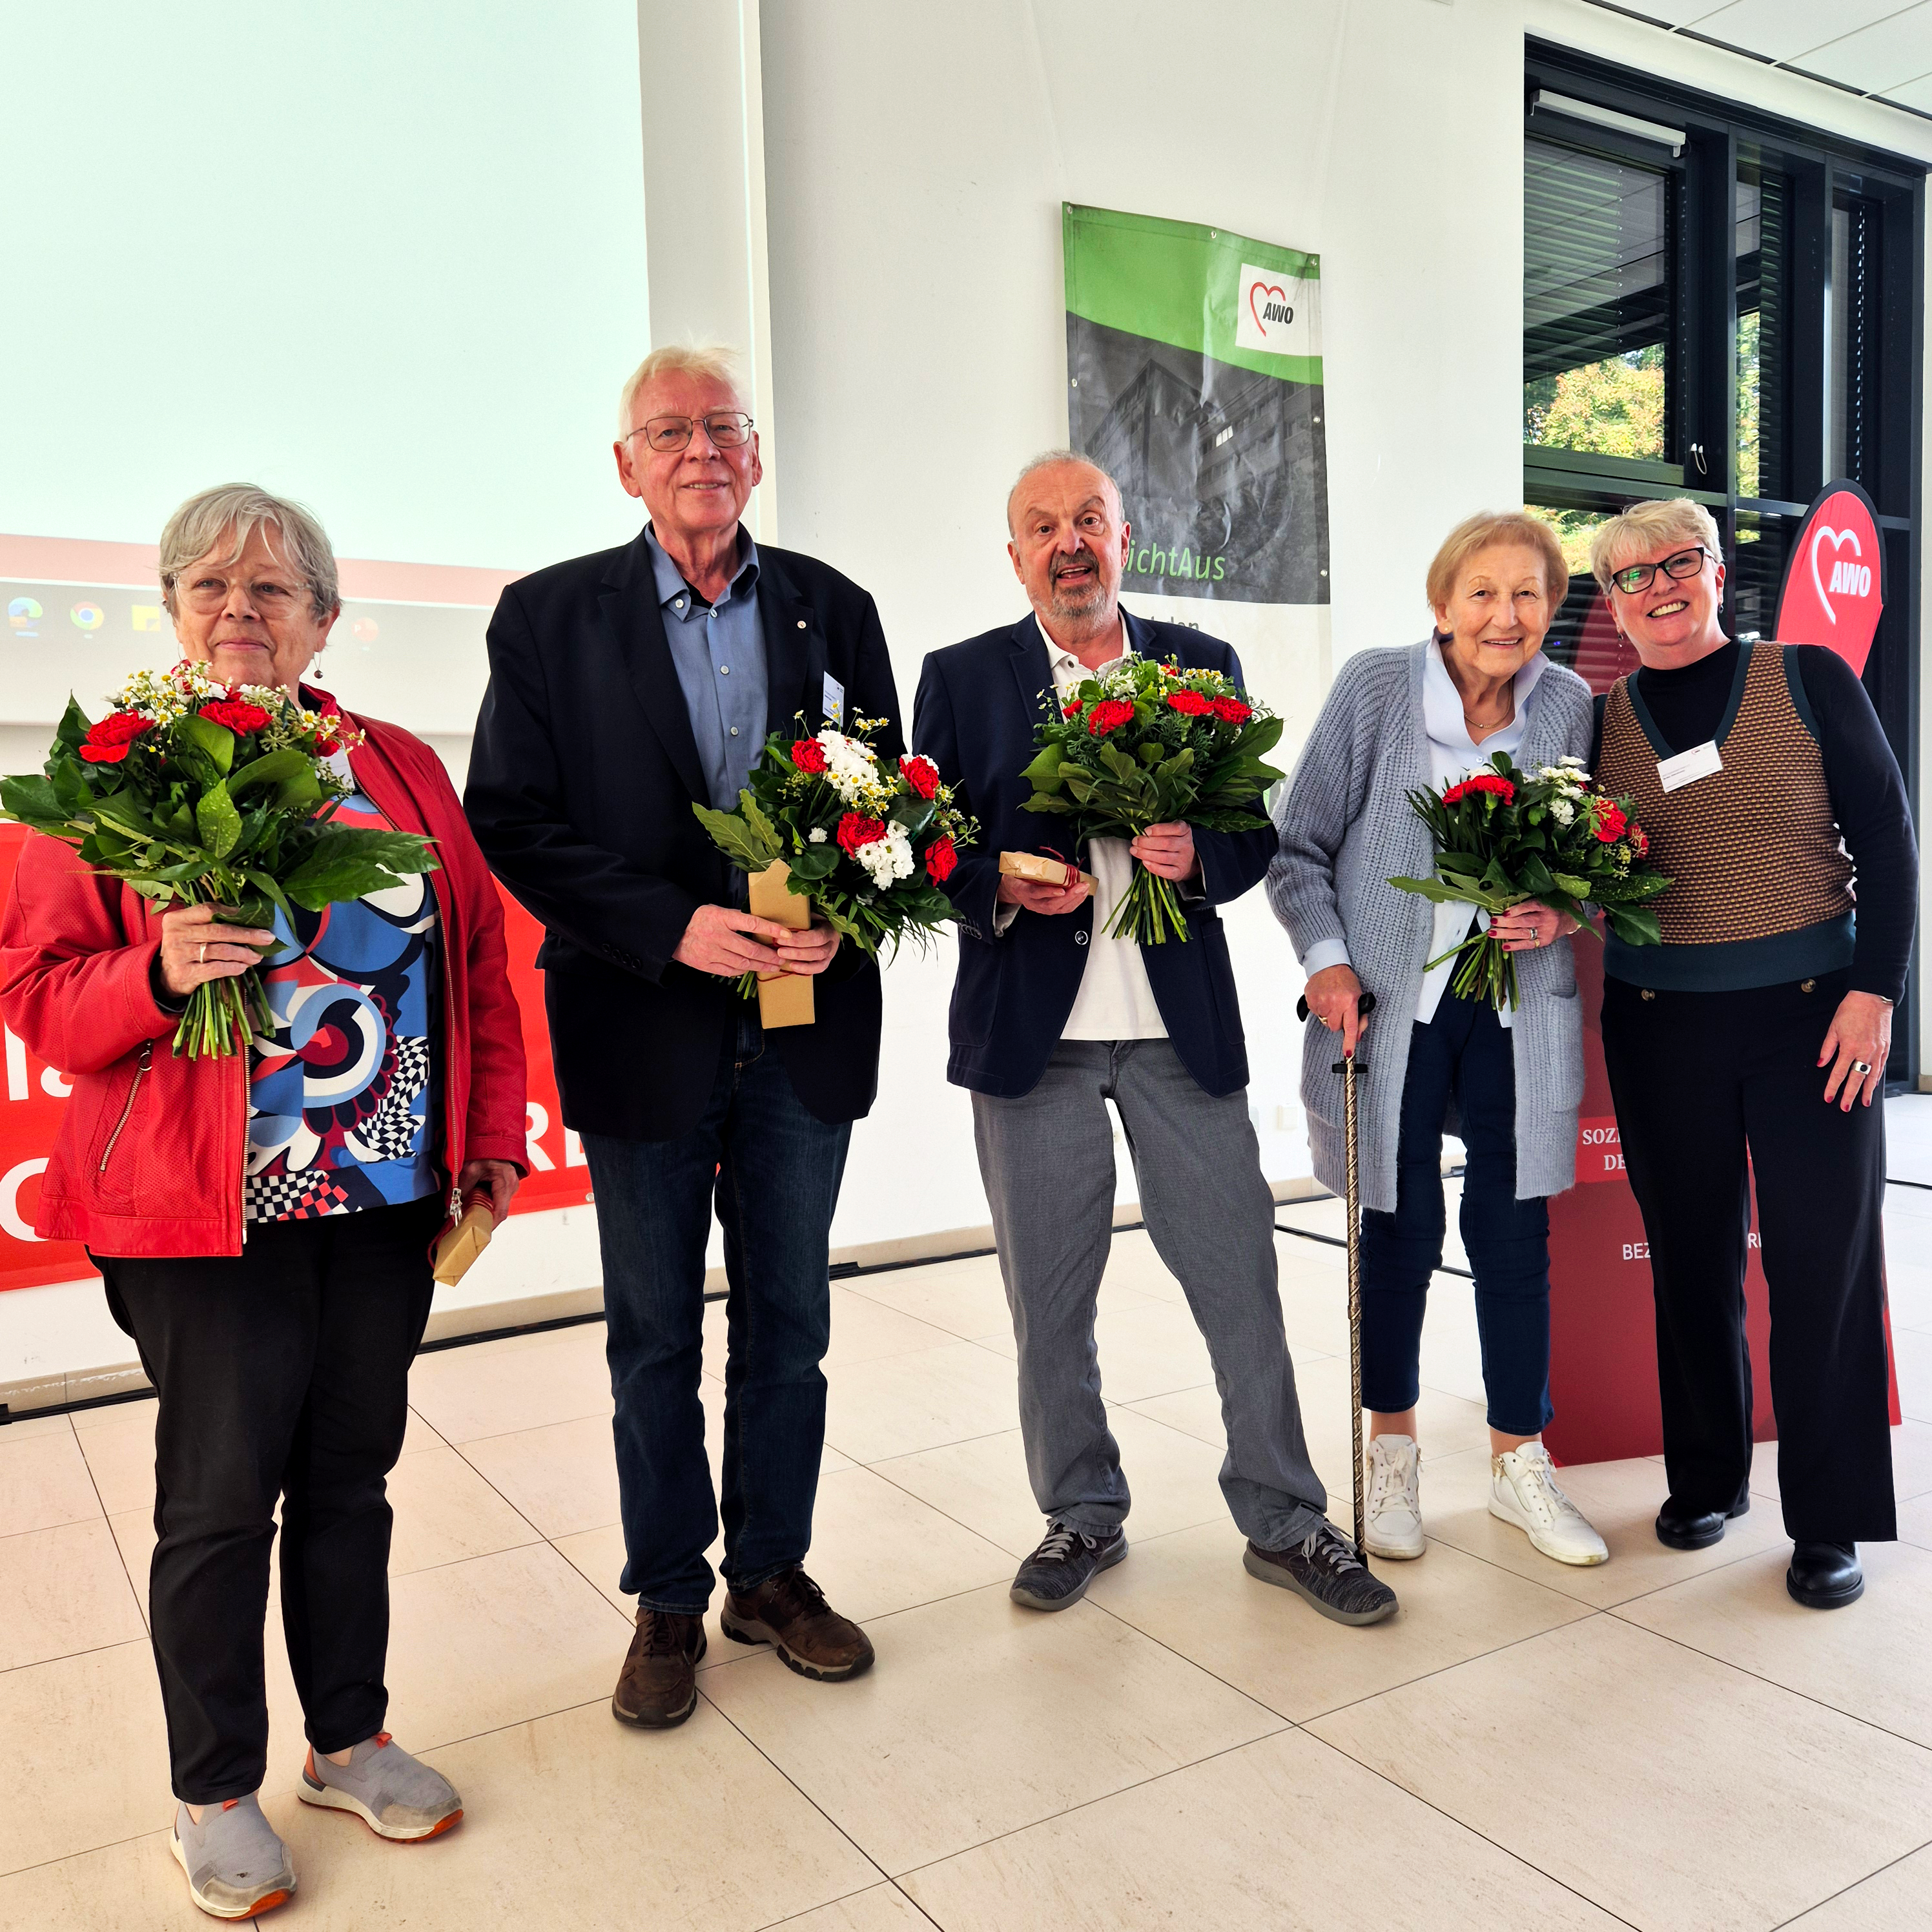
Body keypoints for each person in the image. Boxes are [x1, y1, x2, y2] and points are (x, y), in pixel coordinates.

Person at [0, 484, 528, 1920]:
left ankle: (346, 1737)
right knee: (220, 1499)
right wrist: (159, 969)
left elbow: (472, 961)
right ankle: (213, 1787)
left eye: (274, 587)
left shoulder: (401, 767)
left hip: (378, 1193)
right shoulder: (115, 775)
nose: (241, 607)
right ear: (169, 610)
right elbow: (34, 992)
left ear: (325, 620)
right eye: (211, 585)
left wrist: (483, 1137)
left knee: (350, 1478)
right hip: (202, 1210)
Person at [465, 344, 898, 1727]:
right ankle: (666, 1594)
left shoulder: (834, 608)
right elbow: (514, 820)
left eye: (723, 426)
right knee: (652, 1332)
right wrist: (670, 927)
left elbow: (890, 801)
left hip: (802, 1021)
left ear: (755, 454)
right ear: (626, 464)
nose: (700, 448)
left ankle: (771, 1573)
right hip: (641, 1015)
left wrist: (848, 904)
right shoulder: (547, 619)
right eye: (670, 430)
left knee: (792, 1316)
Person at [912, 451, 1395, 1627]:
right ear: (1015, 554)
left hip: (1180, 1039)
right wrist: (998, 888)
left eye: (1090, 522)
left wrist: (1201, 854)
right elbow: (927, 845)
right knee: (1051, 1302)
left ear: (1126, 537)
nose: (1069, 545)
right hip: (1036, 1045)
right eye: (1044, 527)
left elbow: (1248, 842)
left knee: (1240, 1284)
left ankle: (1285, 1517)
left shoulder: (1200, 665)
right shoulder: (963, 677)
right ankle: (1082, 1510)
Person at [1588, 498, 1917, 1608]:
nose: (1660, 585)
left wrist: (1877, 994)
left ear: (1719, 571)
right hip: (1658, 1020)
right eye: (1633, 575)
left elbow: (1889, 839)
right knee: (1690, 1261)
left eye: (1680, 561)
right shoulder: (1596, 722)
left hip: (1815, 1020)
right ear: (1613, 604)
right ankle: (1708, 1479)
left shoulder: (1809, 678)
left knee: (1822, 1268)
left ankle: (1829, 1524)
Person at [1270, 511, 1607, 1569]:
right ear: (1443, 603)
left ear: (1553, 609)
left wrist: (1558, 911)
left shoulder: (1568, 702)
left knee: (1514, 1237)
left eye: (1530, 595)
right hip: (1389, 1006)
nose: (1506, 616)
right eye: (1484, 593)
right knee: (1398, 1228)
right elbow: (1298, 845)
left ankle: (1519, 1460)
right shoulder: (1377, 688)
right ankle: (1394, 1451)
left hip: (1514, 1004)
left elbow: (1590, 857)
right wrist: (1326, 958)